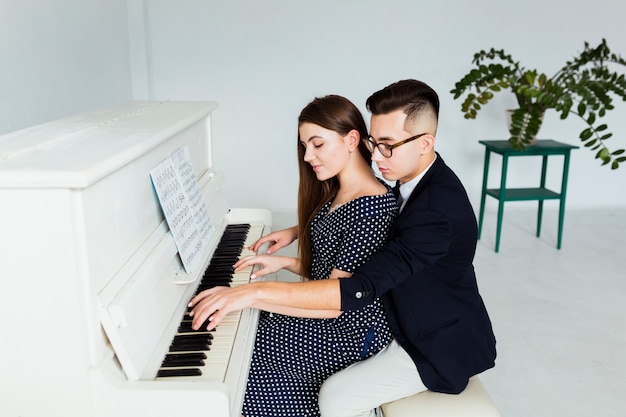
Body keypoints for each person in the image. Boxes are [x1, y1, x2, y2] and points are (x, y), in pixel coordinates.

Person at [189, 80, 497, 417]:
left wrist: (252, 293)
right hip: (388, 311)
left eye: (387, 146)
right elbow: (369, 227)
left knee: (329, 393)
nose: (376, 156)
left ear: (426, 143)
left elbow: (358, 288)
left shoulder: (436, 211)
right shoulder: (413, 179)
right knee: (249, 337)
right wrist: (297, 235)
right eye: (374, 143)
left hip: (429, 341)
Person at [220, 94, 397, 417]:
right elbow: (330, 272)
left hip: (349, 332)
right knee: (244, 330)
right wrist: (285, 260)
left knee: (244, 351)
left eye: (317, 144)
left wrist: (251, 295)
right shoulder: (341, 190)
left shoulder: (371, 208)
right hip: (333, 314)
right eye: (305, 146)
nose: (308, 156)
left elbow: (334, 301)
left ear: (351, 140)